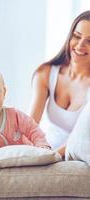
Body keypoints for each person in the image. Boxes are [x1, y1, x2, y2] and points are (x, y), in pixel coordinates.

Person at [29, 10, 90, 158]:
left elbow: (78, 140)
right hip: (45, 150)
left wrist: (50, 158)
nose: (80, 46)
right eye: (77, 36)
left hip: (74, 158)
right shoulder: (46, 73)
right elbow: (29, 125)